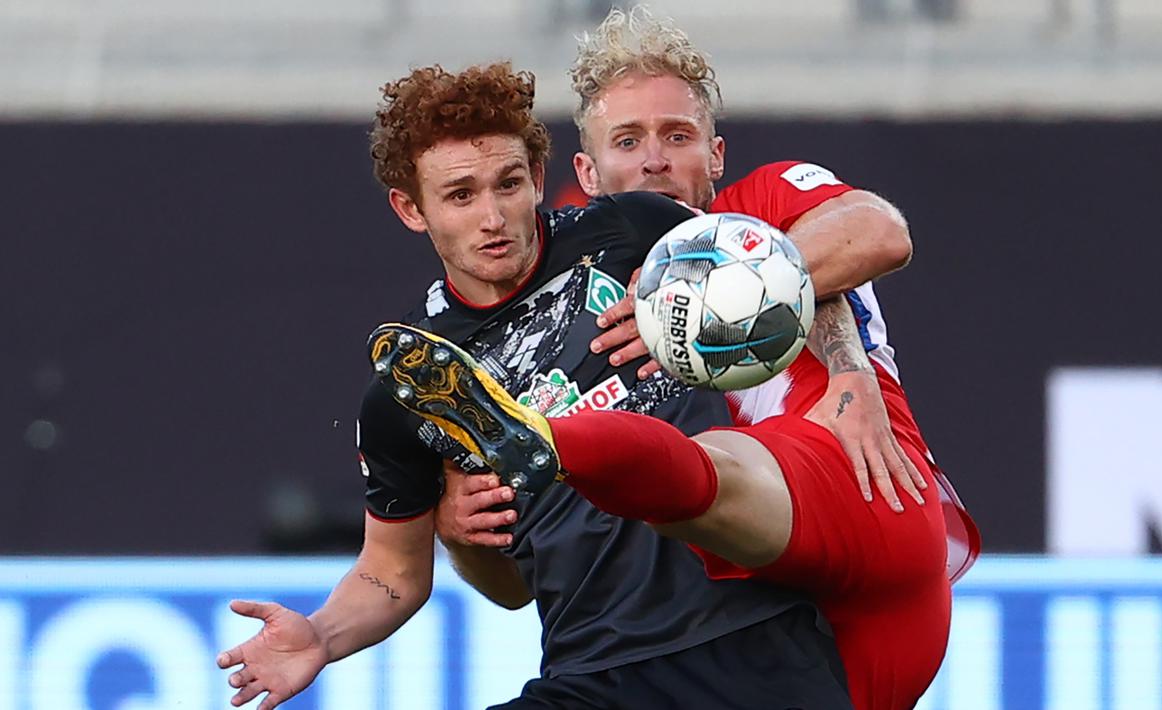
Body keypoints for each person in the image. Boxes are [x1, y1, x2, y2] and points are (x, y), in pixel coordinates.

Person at [217, 62, 853, 710]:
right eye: (461, 195)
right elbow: (393, 575)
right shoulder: (414, 379)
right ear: (411, 208)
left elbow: (794, 274)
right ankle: (552, 445)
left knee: (702, 469)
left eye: (508, 183)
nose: (493, 216)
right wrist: (321, 636)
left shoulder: (635, 231)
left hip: (757, 638)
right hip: (593, 666)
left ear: (537, 179)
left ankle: (564, 443)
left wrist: (850, 377)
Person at [426, 8, 981, 710]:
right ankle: (533, 445)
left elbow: (879, 232)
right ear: (587, 173)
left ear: (715, 156)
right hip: (771, 625)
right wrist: (461, 535)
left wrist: (705, 291)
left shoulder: (758, 207)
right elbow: (512, 590)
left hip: (861, 509)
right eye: (627, 140)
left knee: (695, 464)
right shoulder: (573, 319)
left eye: (677, 135)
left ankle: (537, 440)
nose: (654, 158)